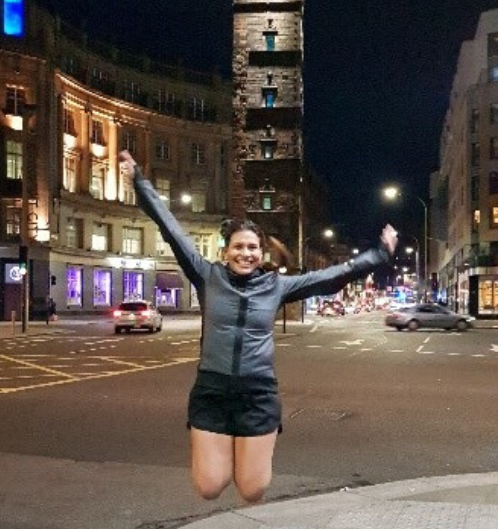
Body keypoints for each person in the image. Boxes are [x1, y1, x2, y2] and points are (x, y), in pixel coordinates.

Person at [119, 150, 398, 503]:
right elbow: (170, 229)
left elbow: (331, 277)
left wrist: (379, 255)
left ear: (261, 253)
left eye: (253, 247)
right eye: (238, 247)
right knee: (209, 486)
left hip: (258, 393)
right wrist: (139, 181)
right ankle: (224, 451)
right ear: (225, 251)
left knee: (252, 489)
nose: (245, 253)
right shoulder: (207, 276)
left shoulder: (276, 285)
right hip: (212, 392)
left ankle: (245, 451)